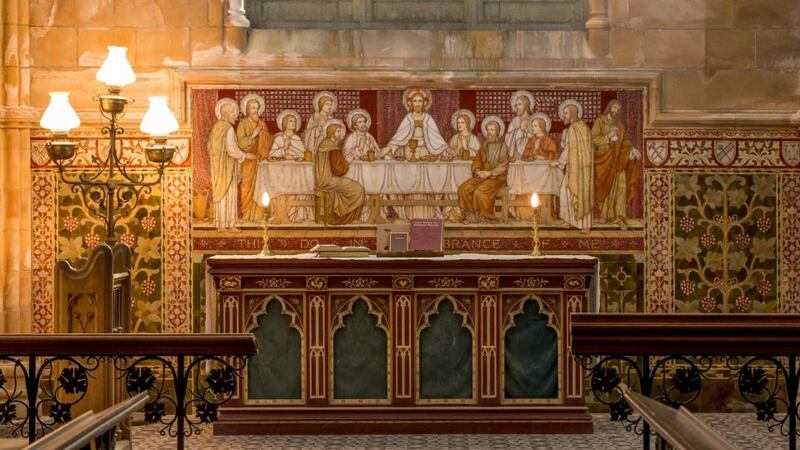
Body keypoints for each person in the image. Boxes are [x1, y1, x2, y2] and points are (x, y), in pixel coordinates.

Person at [592, 99, 642, 230]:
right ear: (609, 107)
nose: (616, 111)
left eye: (618, 109)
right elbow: (593, 139)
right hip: (604, 160)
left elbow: (624, 141)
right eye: (614, 107)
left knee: (621, 187)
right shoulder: (600, 121)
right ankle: (605, 215)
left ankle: (619, 217)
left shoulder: (620, 125)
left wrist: (632, 149)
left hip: (618, 161)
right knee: (606, 187)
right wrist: (608, 137)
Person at [206, 98, 255, 230]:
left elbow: (209, 147)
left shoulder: (216, 128)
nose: (235, 115)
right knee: (229, 194)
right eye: (233, 112)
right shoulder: (228, 129)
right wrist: (246, 155)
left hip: (217, 169)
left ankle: (220, 224)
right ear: (227, 113)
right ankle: (230, 224)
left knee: (222, 196)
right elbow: (232, 149)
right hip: (227, 169)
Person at [457, 116, 510, 223]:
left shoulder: (502, 146)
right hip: (482, 176)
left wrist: (489, 173)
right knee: (463, 188)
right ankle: (470, 215)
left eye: (492, 130)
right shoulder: (484, 145)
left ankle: (487, 216)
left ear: (498, 132)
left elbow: (504, 165)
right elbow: (477, 160)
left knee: (479, 192)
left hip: (497, 178)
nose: (489, 132)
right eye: (488, 130)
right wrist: (477, 170)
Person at [315, 119, 366, 225]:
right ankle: (343, 218)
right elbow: (338, 171)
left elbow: (335, 164)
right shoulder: (332, 147)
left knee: (351, 187)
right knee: (358, 189)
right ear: (331, 132)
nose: (340, 133)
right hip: (328, 180)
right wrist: (347, 161)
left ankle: (342, 215)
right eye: (338, 131)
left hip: (323, 179)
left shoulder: (325, 144)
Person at [554, 99, 593, 232]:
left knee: (579, 193)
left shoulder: (574, 128)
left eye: (565, 113)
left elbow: (570, 149)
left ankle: (584, 225)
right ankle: (568, 220)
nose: (563, 116)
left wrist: (559, 162)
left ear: (572, 113)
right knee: (566, 192)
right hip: (577, 166)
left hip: (579, 168)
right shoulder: (582, 127)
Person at [382, 89, 449, 161]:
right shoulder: (408, 118)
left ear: (425, 103)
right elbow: (400, 137)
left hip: (425, 152)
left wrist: (445, 149)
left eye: (420, 101)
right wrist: (390, 147)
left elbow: (436, 137)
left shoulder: (427, 118)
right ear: (410, 103)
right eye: (415, 101)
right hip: (408, 152)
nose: (417, 104)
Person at [236, 93, 271, 221]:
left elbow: (267, 142)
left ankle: (259, 215)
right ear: (247, 110)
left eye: (257, 108)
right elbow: (240, 143)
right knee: (246, 186)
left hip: (259, 161)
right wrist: (254, 135)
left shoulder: (262, 124)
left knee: (260, 186)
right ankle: (246, 214)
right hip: (247, 161)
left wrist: (263, 138)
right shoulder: (243, 124)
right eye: (252, 108)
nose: (255, 111)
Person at [520, 113, 559, 223]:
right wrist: (529, 155)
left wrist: (542, 157)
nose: (532, 128)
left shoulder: (548, 140)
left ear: (541, 127)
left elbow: (552, 156)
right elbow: (524, 155)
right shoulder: (531, 140)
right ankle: (531, 213)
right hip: (531, 171)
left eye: (535, 126)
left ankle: (545, 213)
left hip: (544, 172)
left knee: (545, 187)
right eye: (532, 126)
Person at [505, 90, 534, 161]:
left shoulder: (534, 119)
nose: (516, 107)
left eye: (519, 104)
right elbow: (508, 138)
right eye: (516, 105)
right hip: (515, 155)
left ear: (526, 105)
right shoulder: (515, 120)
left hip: (530, 153)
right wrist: (520, 130)